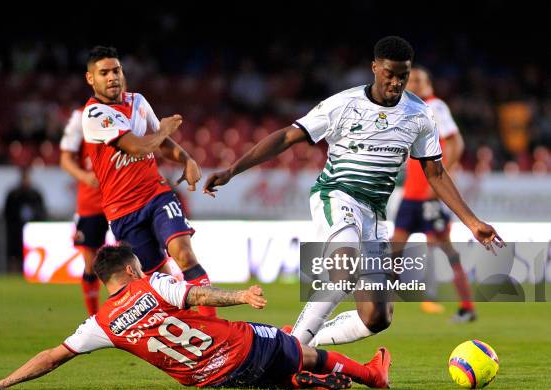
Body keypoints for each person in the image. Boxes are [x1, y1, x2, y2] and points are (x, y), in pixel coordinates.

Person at [204, 36, 504, 348]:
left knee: (377, 317)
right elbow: (286, 137)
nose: (396, 82)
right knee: (343, 273)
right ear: (374, 68)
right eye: (390, 73)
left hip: (374, 212)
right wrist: (232, 170)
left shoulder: (420, 115)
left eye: (403, 75)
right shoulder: (343, 104)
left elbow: (435, 172)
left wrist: (472, 222)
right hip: (336, 195)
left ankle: (305, 342)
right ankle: (291, 351)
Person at [0, 243, 391, 390]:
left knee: (276, 351)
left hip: (207, 380)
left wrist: (4, 382)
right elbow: (199, 294)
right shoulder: (152, 284)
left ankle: (298, 381)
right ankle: (370, 374)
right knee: (296, 346)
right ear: (133, 270)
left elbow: (52, 355)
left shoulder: (99, 323)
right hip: (239, 351)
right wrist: (242, 295)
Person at [81, 45, 215, 317]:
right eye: (103, 72)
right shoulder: (94, 115)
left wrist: (186, 159)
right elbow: (138, 147)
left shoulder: (138, 102)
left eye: (116, 70)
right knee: (159, 282)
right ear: (90, 79)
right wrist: (163, 129)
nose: (112, 77)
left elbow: (160, 142)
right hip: (123, 212)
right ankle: (199, 330)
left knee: (185, 255)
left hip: (156, 195)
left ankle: (218, 328)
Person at [391, 66, 475, 322]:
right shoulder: (411, 109)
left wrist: (437, 183)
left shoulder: (435, 106)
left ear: (429, 83)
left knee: (444, 249)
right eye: (410, 80)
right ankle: (380, 305)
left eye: (418, 80)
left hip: (428, 196)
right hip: (411, 196)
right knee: (395, 249)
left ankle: (467, 307)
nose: (412, 84)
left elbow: (456, 142)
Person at [60, 107, 109, 315]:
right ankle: (94, 317)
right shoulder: (79, 117)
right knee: (92, 264)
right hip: (91, 202)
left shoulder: (126, 109)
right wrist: (84, 176)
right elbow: (65, 160)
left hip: (122, 197)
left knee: (137, 258)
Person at [4, 166, 47, 272]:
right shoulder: (13, 195)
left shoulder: (36, 194)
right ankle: (14, 275)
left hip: (33, 231)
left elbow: (42, 212)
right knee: (15, 254)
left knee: (32, 254)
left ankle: (32, 272)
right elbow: (7, 213)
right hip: (16, 230)